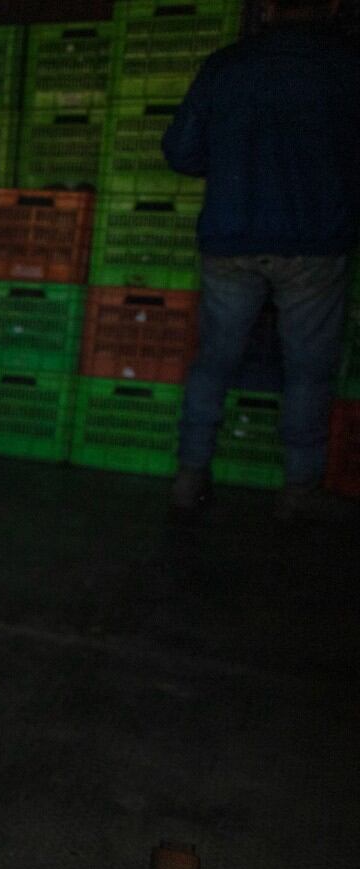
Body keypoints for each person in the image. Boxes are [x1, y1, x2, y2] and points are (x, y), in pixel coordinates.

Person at [161, 0, 360, 522]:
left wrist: (231, 160)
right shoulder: (347, 66)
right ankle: (298, 493)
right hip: (314, 242)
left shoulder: (225, 65)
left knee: (214, 361)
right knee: (309, 372)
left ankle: (190, 478)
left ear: (267, 8)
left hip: (232, 236)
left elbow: (180, 151)